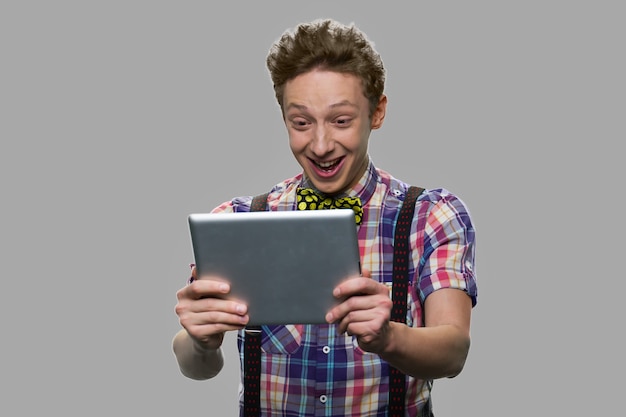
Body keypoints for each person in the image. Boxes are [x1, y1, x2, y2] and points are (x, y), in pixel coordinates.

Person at [172, 18, 477, 417]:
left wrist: (388, 338)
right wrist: (201, 342)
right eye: (301, 122)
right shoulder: (238, 221)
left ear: (378, 111)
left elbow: (453, 352)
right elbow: (198, 368)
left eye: (341, 120)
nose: (320, 144)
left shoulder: (431, 216)